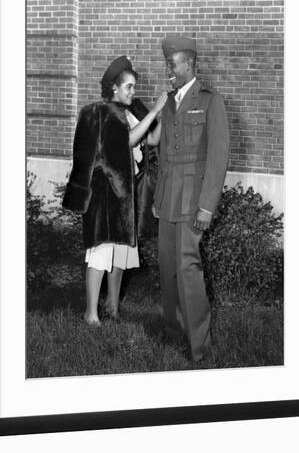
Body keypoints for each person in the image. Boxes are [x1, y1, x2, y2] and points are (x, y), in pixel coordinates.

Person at [63, 56, 167, 325]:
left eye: (134, 87)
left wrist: (162, 114)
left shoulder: (131, 112)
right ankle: (91, 313)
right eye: (129, 87)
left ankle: (112, 305)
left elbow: (153, 139)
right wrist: (155, 111)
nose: (133, 92)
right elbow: (126, 142)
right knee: (100, 251)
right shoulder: (103, 112)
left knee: (121, 251)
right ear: (114, 88)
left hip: (125, 191)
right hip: (104, 192)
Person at [153, 35, 230, 361]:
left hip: (193, 201)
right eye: (167, 63)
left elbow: (218, 156)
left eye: (173, 63)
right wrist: (158, 199)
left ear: (190, 64)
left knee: (188, 269)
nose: (168, 69)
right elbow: (164, 155)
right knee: (167, 268)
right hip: (169, 198)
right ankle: (173, 332)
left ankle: (199, 346)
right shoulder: (168, 102)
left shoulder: (210, 101)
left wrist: (206, 206)